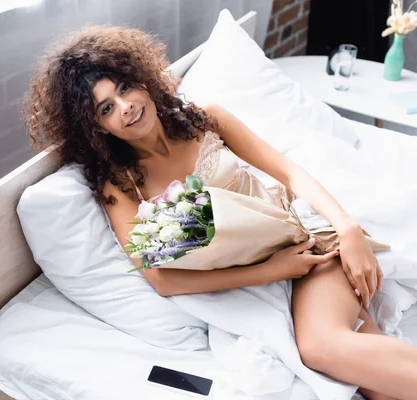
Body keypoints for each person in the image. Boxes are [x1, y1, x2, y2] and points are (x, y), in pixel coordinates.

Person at [23, 25, 417, 400]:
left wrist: (347, 230)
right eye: (107, 107)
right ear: (98, 127)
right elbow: (161, 279)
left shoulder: (204, 118)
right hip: (258, 278)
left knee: (320, 346)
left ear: (142, 80)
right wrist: (272, 270)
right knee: (380, 387)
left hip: (303, 240)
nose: (126, 107)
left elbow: (288, 171)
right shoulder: (121, 185)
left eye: (125, 88)